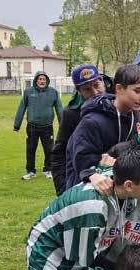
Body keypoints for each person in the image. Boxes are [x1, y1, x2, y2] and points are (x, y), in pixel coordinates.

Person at [66, 64, 140, 188]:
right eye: (137, 91)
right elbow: (82, 161)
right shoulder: (91, 122)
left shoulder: (139, 117)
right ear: (119, 88)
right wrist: (96, 170)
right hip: (95, 191)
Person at [50, 64, 106, 195]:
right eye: (87, 89)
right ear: (78, 91)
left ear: (102, 81)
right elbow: (59, 153)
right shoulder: (71, 113)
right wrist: (63, 190)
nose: (95, 92)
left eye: (96, 85)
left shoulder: (119, 100)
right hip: (86, 180)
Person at [14, 70, 63, 181]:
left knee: (49, 150)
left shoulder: (53, 92)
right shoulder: (28, 92)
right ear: (36, 80)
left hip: (47, 127)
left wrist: (63, 124)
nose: (42, 81)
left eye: (44, 79)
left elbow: (59, 109)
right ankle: (30, 171)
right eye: (40, 79)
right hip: (32, 127)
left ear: (47, 81)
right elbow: (21, 108)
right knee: (30, 149)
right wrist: (17, 125)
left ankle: (48, 170)